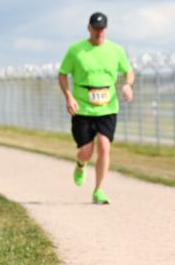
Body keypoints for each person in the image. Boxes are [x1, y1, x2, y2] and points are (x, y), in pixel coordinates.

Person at [58, 12, 135, 205]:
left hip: (108, 107)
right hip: (82, 107)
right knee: (86, 151)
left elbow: (128, 71)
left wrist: (127, 85)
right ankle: (80, 164)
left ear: (106, 29)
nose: (99, 32)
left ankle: (98, 190)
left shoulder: (116, 50)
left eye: (102, 29)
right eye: (96, 28)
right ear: (89, 28)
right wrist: (68, 97)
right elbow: (62, 75)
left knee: (104, 146)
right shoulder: (76, 50)